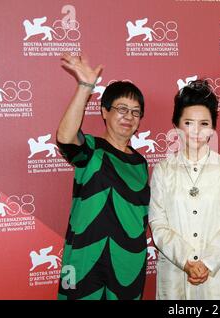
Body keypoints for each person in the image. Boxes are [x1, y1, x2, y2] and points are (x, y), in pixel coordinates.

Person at [56, 53, 150, 300]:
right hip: (83, 260)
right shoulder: (91, 149)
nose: (128, 117)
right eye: (121, 109)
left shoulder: (141, 163)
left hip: (128, 262)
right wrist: (85, 86)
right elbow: (66, 138)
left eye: (135, 112)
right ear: (104, 112)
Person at [148, 80, 220, 299]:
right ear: (176, 126)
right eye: (188, 123)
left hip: (217, 274)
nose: (196, 131)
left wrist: (208, 262)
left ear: (213, 128)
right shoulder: (163, 170)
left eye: (204, 123)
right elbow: (158, 223)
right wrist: (187, 261)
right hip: (175, 272)